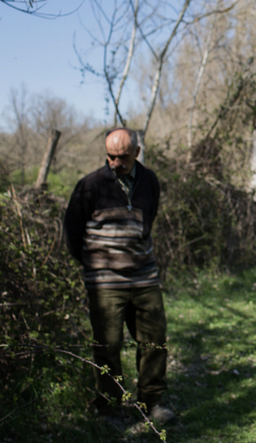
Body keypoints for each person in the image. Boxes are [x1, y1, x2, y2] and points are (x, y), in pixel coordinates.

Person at [64, 127, 175, 425]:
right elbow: (72, 232)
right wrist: (96, 267)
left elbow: (148, 218)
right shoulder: (90, 185)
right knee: (107, 345)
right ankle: (109, 405)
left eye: (122, 157)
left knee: (153, 341)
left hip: (144, 277)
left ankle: (151, 402)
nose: (115, 162)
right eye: (110, 156)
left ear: (136, 153)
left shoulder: (149, 180)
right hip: (104, 282)